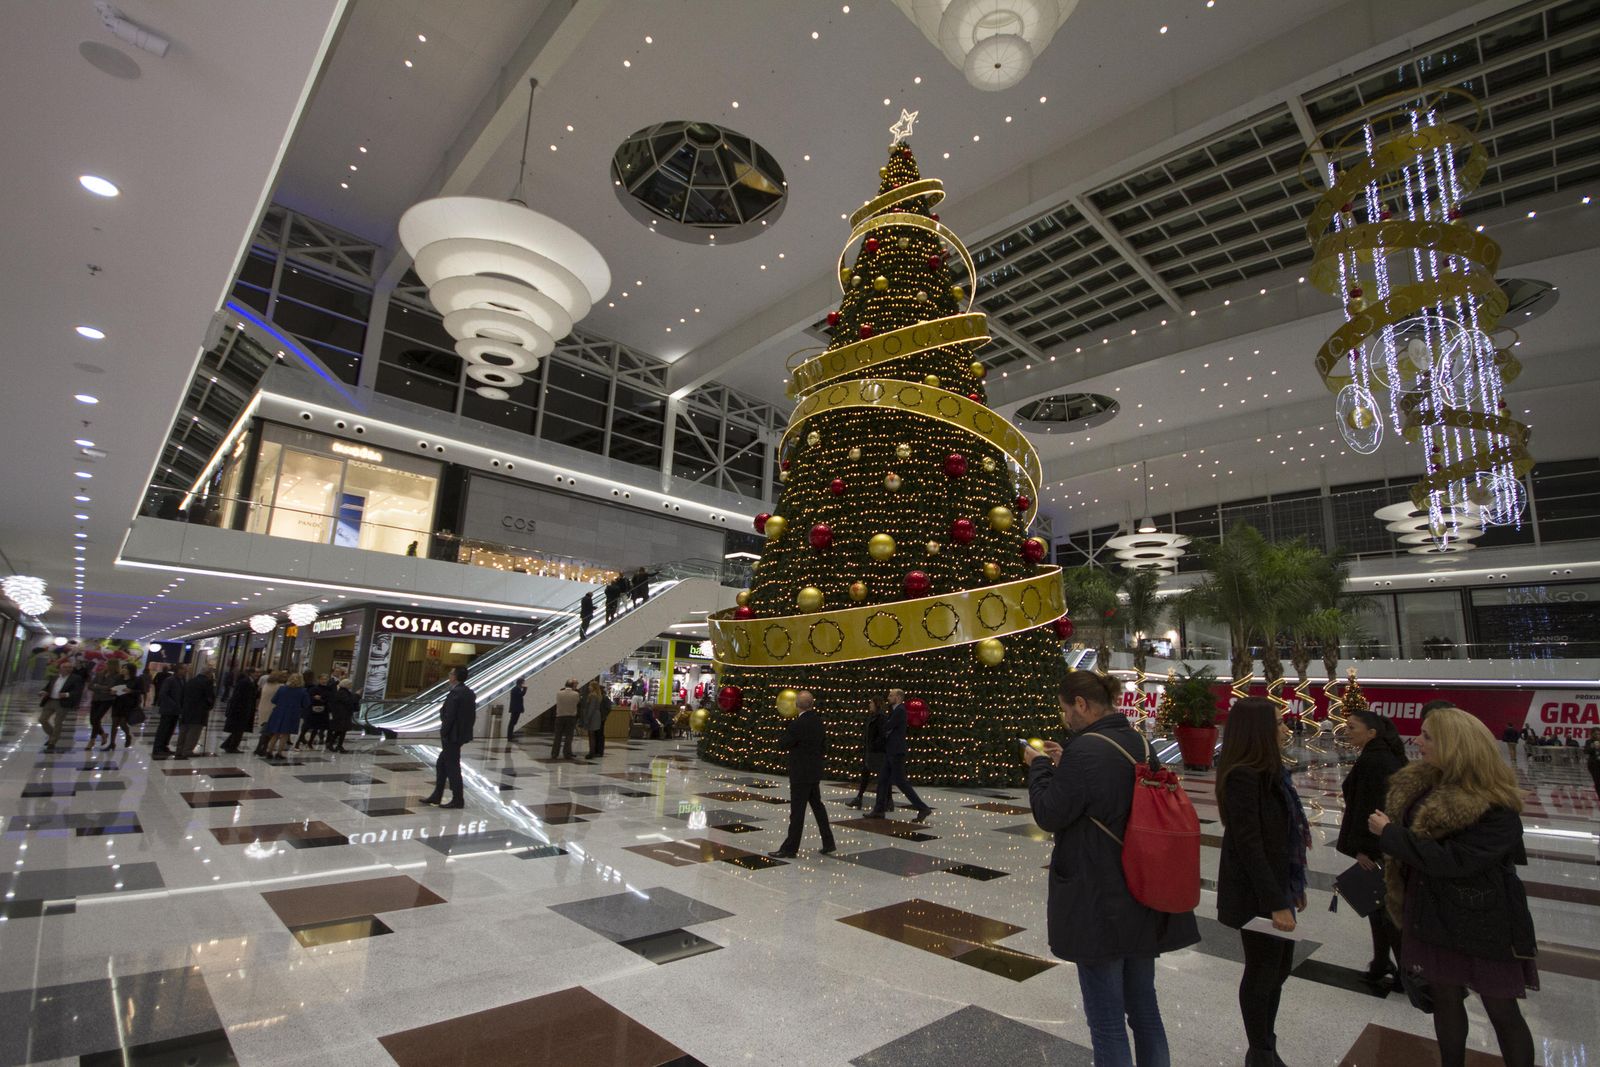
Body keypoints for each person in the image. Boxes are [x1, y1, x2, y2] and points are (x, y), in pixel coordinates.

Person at [1025, 671, 1199, 1067]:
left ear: (1082, 705)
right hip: (1143, 888)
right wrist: (1065, 763)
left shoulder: (1085, 750)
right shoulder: (1138, 741)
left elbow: (1050, 813)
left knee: (1106, 1022)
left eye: (1066, 709)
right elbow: (1113, 792)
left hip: (1099, 898)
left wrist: (1039, 768)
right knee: (1144, 1012)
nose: (1065, 718)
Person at [1371, 707, 1538, 1067]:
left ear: (1455, 744)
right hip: (1432, 912)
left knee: (1501, 1008)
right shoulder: (1422, 783)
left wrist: (1391, 835)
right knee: (1445, 1001)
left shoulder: (1495, 803)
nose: (1418, 741)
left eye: (1428, 736)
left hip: (1484, 920)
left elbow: (1457, 860)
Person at [1215, 697, 1306, 1067]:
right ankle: (1262, 1051)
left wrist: (1291, 888)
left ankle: (1265, 1045)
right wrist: (1276, 901)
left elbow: (1283, 836)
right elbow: (1249, 844)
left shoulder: (1272, 771)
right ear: (1258, 731)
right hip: (1256, 891)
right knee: (1263, 970)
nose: (1285, 730)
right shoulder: (1242, 775)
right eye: (1279, 724)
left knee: (1279, 968)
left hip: (1276, 883)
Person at [1336, 706, 1409, 992]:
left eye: (1353, 727)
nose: (1347, 731)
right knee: (1378, 909)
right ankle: (1382, 963)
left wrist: (1363, 849)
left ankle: (1401, 969)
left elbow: (1371, 808)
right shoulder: (1379, 756)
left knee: (1385, 911)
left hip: (1378, 847)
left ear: (1372, 732)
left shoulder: (1375, 761)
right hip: (1384, 845)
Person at [769, 691, 836, 858]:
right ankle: (828, 842)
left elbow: (784, 744)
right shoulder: (819, 722)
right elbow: (823, 747)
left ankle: (790, 848)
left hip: (800, 773)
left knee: (797, 812)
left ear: (797, 705)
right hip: (814, 772)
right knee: (818, 808)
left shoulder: (797, 724)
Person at [870, 688, 932, 822]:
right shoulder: (896, 711)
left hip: (896, 751)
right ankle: (879, 810)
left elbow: (887, 727)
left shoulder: (900, 711)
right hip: (891, 750)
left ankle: (923, 808)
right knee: (882, 781)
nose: (888, 697)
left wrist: (882, 725)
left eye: (891, 695)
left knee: (901, 782)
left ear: (898, 697)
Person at [421, 665, 475, 808]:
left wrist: (444, 731)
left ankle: (458, 799)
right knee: (442, 763)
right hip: (459, 735)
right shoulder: (469, 692)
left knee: (452, 766)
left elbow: (449, 715)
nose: (449, 676)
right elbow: (471, 716)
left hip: (452, 735)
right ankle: (437, 795)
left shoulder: (455, 693)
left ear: (455, 677)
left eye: (451, 673)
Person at [845, 697, 888, 809]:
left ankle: (887, 801)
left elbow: (882, 734)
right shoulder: (872, 717)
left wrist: (874, 745)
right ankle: (859, 798)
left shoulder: (881, 717)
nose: (869, 705)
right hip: (870, 751)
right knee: (866, 775)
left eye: (871, 703)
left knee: (881, 777)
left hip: (877, 752)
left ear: (876, 704)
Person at [39, 662, 87, 752]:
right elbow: (47, 687)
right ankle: (52, 735)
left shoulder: (76, 678)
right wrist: (43, 691)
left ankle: (52, 742)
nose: (67, 669)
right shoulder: (55, 677)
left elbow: (78, 691)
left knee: (58, 722)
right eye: (65, 667)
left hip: (63, 703)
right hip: (50, 700)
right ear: (60, 668)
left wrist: (66, 694)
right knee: (42, 719)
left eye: (69, 667)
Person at [262, 673, 310, 759]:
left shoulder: (282, 689)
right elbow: (306, 704)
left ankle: (269, 751)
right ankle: (279, 753)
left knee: (275, 733)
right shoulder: (302, 691)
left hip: (278, 712)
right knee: (285, 734)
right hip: (292, 714)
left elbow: (274, 700)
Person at [173, 667, 217, 759]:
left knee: (184, 730)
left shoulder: (190, 681)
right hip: (199, 710)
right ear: (208, 674)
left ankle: (179, 750)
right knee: (194, 731)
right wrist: (209, 706)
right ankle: (187, 750)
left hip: (186, 709)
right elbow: (210, 697)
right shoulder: (207, 683)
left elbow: (182, 695)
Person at [151, 663, 188, 758]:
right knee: (163, 729)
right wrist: (173, 704)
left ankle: (164, 746)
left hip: (176, 710)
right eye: (184, 669)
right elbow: (163, 694)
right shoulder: (170, 680)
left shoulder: (182, 680)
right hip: (168, 709)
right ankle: (158, 748)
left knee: (170, 729)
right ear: (178, 670)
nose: (185, 670)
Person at [219, 668, 259, 753]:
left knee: (239, 729)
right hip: (240, 709)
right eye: (256, 672)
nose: (258, 674)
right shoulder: (245, 682)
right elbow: (239, 696)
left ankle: (227, 744)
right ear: (251, 673)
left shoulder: (250, 682)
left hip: (245, 708)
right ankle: (232, 747)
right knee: (239, 729)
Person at [105, 663, 142, 751]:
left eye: (126, 668)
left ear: (131, 670)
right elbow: (112, 688)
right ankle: (112, 743)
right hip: (117, 702)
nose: (123, 670)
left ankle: (128, 735)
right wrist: (112, 692)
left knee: (122, 723)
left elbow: (141, 691)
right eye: (123, 668)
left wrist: (131, 691)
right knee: (114, 724)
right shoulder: (119, 678)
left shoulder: (137, 679)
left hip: (129, 704)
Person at [85, 661, 120, 751]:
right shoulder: (100, 674)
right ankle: (103, 734)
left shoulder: (117, 676)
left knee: (97, 718)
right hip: (96, 699)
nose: (107, 666)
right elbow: (91, 686)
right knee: (92, 720)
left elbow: (111, 688)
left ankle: (92, 741)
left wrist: (98, 687)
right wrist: (104, 688)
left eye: (109, 664)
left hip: (107, 700)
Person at [253, 672, 285, 756]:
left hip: (263, 708)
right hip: (272, 709)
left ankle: (260, 748)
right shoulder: (279, 687)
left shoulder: (266, 685)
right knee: (268, 731)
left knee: (265, 729)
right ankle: (261, 748)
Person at [297, 674, 332, 750]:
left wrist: (322, 699)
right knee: (306, 727)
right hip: (312, 710)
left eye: (325, 679)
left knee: (317, 727)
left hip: (323, 710)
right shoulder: (314, 688)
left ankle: (310, 742)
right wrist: (314, 698)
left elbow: (329, 699)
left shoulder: (328, 689)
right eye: (322, 679)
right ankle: (298, 743)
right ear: (319, 680)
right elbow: (309, 697)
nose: (324, 681)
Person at [579, 678, 610, 758]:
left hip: (594, 717)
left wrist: (587, 719)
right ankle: (594, 751)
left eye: (590, 686)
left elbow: (591, 708)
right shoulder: (598, 695)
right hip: (597, 717)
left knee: (593, 735)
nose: (589, 687)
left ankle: (592, 752)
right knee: (594, 735)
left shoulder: (593, 695)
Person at [326, 678, 359, 752]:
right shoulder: (342, 693)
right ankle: (335, 744)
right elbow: (348, 702)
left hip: (343, 714)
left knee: (341, 731)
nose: (351, 686)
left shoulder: (344, 692)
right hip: (342, 715)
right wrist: (356, 696)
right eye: (350, 684)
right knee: (341, 730)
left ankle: (336, 744)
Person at [551, 678, 580, 759]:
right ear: (572, 686)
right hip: (571, 717)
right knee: (569, 736)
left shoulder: (559, 693)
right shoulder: (575, 694)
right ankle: (566, 753)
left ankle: (554, 753)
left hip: (560, 716)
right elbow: (577, 702)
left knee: (557, 736)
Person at [1584, 728, 1600, 800]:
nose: (1598, 735)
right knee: (1598, 782)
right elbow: (1586, 751)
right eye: (1596, 734)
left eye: (1599, 734)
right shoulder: (1589, 742)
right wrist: (1593, 746)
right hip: (1594, 764)